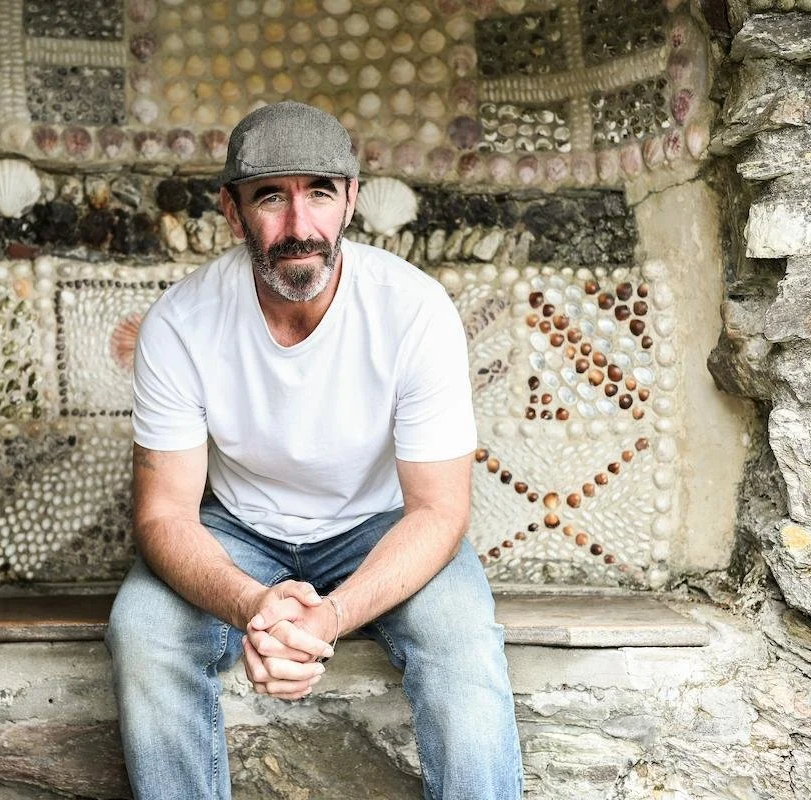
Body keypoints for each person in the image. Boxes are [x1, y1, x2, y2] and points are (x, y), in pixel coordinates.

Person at [106, 101, 522, 799]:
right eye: (271, 197)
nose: (300, 227)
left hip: (382, 527)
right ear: (233, 213)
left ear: (352, 200)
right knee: (141, 628)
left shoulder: (413, 311)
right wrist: (255, 606)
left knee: (462, 640)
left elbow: (439, 511)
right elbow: (164, 515)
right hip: (241, 532)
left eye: (320, 193)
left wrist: (326, 616)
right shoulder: (181, 323)